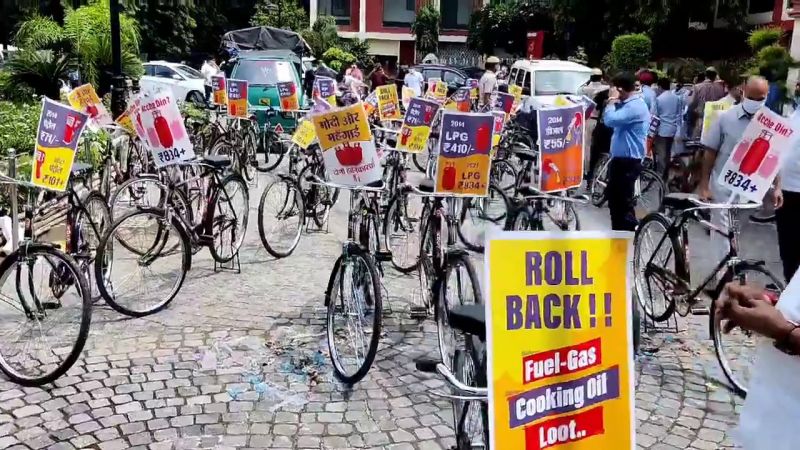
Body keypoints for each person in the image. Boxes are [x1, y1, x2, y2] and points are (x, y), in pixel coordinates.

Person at [700, 76, 780, 264]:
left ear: (767, 95)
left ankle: (731, 265)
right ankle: (723, 274)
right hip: (721, 186)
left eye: (761, 99)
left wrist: (778, 187)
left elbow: (776, 157)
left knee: (735, 233)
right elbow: (710, 153)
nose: (755, 102)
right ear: (743, 90)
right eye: (752, 97)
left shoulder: (772, 124)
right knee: (720, 232)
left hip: (749, 190)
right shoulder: (724, 118)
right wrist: (704, 185)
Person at [602, 72, 651, 231]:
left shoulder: (635, 106)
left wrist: (611, 101)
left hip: (628, 161)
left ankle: (629, 234)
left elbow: (610, 120)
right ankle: (618, 233)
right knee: (615, 200)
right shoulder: (627, 104)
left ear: (620, 89)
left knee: (622, 203)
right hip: (621, 160)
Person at [776, 110, 800, 282]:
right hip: (786, 188)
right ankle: (789, 282)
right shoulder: (792, 114)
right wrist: (777, 185)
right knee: (787, 244)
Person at [652, 77, 681, 180]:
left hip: (662, 130)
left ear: (660, 86)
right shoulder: (677, 98)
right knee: (669, 153)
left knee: (662, 155)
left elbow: (655, 115)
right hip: (674, 129)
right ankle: (668, 175)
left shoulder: (659, 99)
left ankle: (660, 177)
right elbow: (679, 114)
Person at [689, 66, 726, 139]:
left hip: (701, 119)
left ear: (706, 75)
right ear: (715, 76)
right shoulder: (721, 88)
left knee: (698, 140)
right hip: (715, 120)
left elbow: (692, 103)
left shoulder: (697, 87)